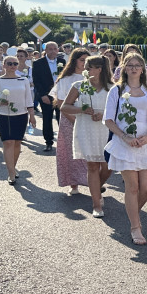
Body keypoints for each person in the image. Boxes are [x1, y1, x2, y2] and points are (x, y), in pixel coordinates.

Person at [104, 53, 147, 245]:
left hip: (146, 142)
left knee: (146, 188)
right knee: (133, 186)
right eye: (130, 65)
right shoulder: (117, 90)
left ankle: (132, 213)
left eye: (138, 65)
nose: (134, 68)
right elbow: (109, 119)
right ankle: (135, 227)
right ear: (124, 68)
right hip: (125, 142)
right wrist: (125, 137)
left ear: (143, 68)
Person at [65, 56, 113, 217]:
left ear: (99, 69)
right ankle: (96, 204)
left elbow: (119, 111)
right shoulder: (79, 86)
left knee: (108, 166)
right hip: (86, 128)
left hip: (106, 129)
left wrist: (104, 115)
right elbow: (65, 107)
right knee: (92, 166)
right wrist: (82, 109)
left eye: (89, 67)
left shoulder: (112, 88)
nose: (85, 70)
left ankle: (96, 188)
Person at [0, 55, 36, 184]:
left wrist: (32, 115)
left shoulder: (23, 80)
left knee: (17, 143)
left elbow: (28, 99)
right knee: (8, 142)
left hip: (21, 115)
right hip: (3, 115)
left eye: (15, 64)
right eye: (9, 63)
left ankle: (13, 166)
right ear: (3, 65)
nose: (12, 66)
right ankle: (11, 172)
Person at [52, 48, 90, 194]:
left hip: (89, 118)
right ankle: (73, 183)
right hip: (70, 119)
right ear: (74, 61)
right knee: (72, 151)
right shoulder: (66, 79)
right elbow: (62, 103)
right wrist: (75, 120)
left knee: (91, 151)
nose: (84, 63)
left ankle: (93, 181)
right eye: (82, 60)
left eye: (87, 61)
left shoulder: (92, 78)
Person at [32, 41, 65, 152]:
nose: (52, 51)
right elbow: (37, 81)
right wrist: (42, 95)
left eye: (54, 49)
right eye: (50, 49)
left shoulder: (62, 61)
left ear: (58, 50)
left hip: (60, 95)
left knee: (62, 119)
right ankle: (49, 142)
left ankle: (63, 142)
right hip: (46, 95)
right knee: (47, 119)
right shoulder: (38, 63)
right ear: (45, 50)